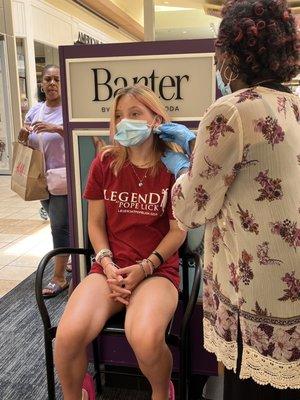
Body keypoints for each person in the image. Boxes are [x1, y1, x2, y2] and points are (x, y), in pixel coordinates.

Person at [160, 1, 300, 399]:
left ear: (232, 53)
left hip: (256, 291)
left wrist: (180, 167)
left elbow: (192, 208)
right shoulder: (294, 106)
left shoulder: (231, 111)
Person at [54, 85, 186, 400]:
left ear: (156, 119)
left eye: (135, 114)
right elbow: (95, 223)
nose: (124, 121)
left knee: (142, 337)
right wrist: (106, 261)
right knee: (68, 336)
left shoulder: (175, 168)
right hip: (110, 268)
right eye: (118, 116)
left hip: (156, 270)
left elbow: (178, 230)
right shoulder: (105, 162)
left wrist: (145, 266)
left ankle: (160, 392)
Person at [18, 64, 70, 297]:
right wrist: (23, 137)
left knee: (59, 227)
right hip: (40, 178)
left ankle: (59, 277)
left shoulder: (69, 110)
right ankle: (70, 257)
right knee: (59, 222)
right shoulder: (35, 111)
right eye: (48, 79)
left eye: (57, 80)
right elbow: (30, 142)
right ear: (41, 84)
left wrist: (56, 128)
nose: (52, 83)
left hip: (62, 177)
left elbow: (77, 136)